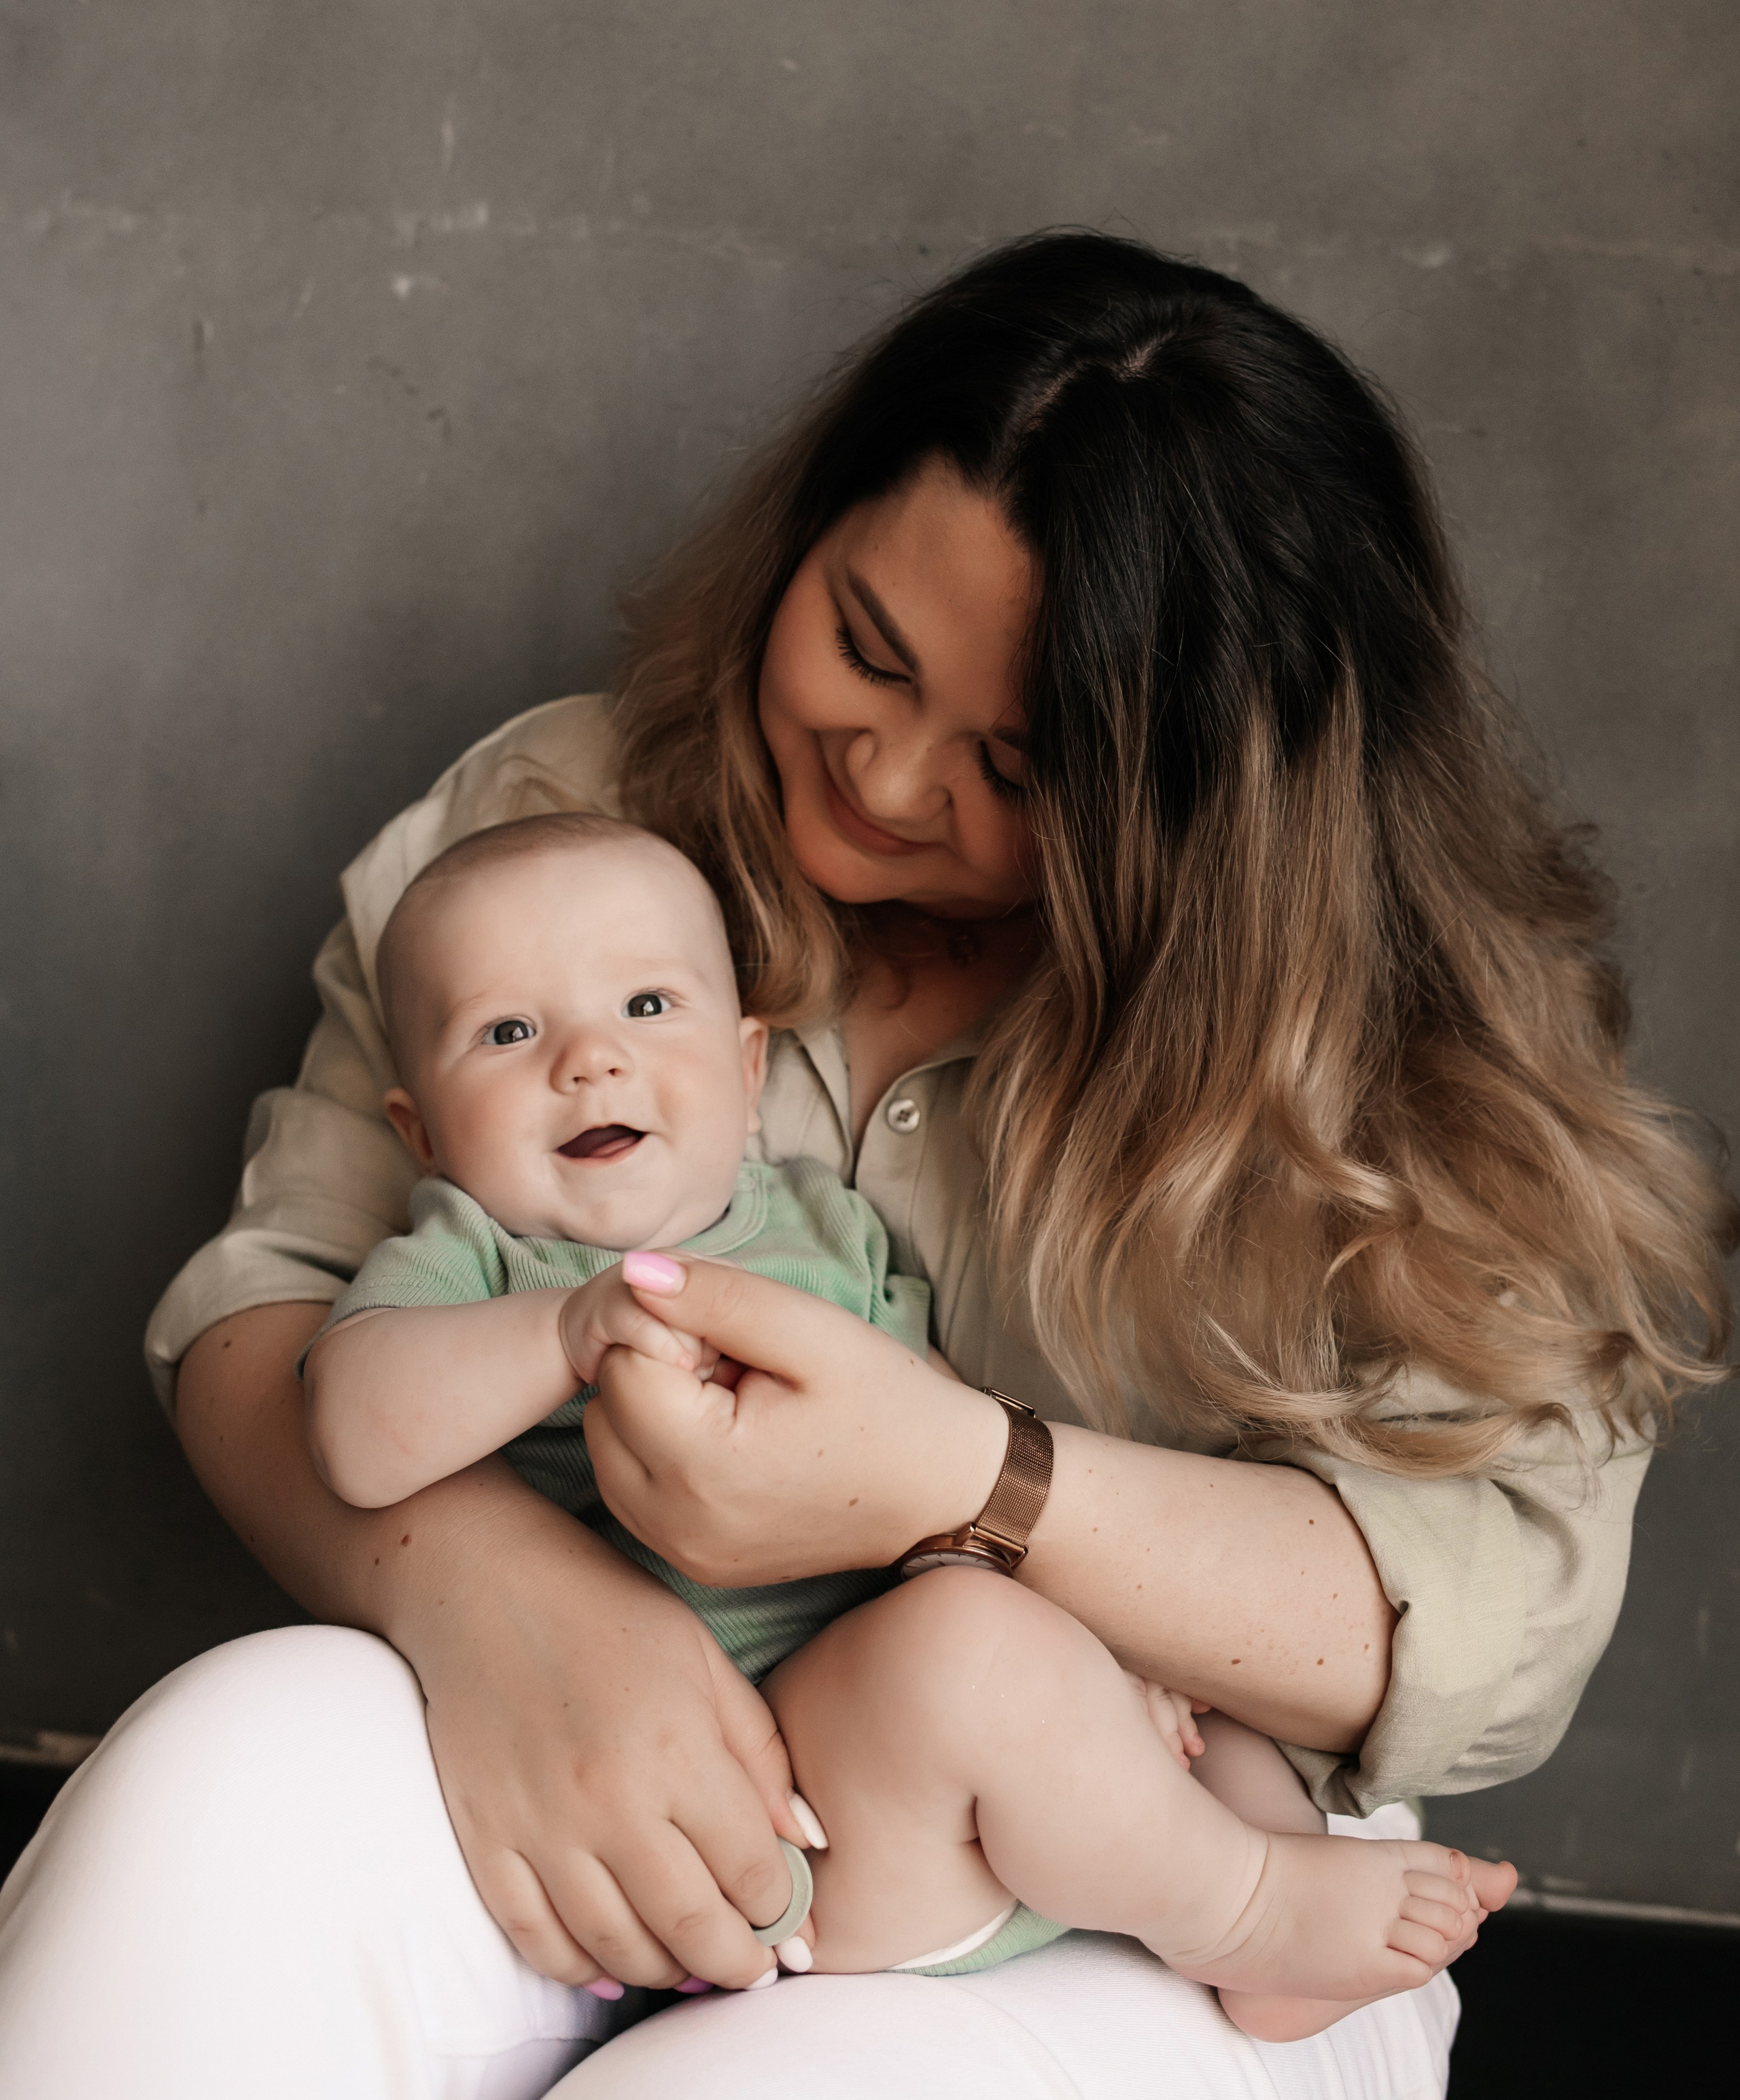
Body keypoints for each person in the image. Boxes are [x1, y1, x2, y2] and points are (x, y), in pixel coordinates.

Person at [0, 235, 1725, 2100]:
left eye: (1015, 756)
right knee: (212, 1794)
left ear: (1210, 812)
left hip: (1141, 1872)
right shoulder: (568, 837)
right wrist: (498, 1592)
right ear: (804, 535)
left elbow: (1472, 1607)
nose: (892, 783)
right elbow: (275, 1300)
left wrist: (967, 1483)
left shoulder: (1398, 1046)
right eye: (863, 648)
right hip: (589, 1745)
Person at [302, 810, 1512, 2032]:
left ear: (743, 1063)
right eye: (509, 1031)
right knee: (971, 1653)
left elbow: (954, 1444)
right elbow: (353, 1431)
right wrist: (561, 1331)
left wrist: (1107, 1657)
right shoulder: (480, 1261)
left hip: (936, 1749)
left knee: (1182, 1680)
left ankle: (1266, 1888)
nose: (588, 1059)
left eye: (648, 1006)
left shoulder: (827, 1229)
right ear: (421, 1131)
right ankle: (1239, 1907)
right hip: (774, 1825)